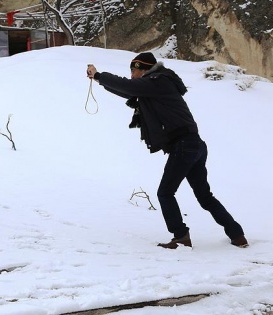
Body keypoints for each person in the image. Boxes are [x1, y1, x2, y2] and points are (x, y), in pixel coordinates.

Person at [86, 52, 248, 249]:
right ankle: (237, 234)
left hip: (184, 146)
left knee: (165, 193)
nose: (131, 75)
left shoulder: (157, 81)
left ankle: (181, 236)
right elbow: (129, 92)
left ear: (144, 69)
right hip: (194, 145)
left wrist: (99, 75)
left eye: (134, 70)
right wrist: (99, 79)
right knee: (205, 196)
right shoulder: (157, 84)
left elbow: (129, 87)